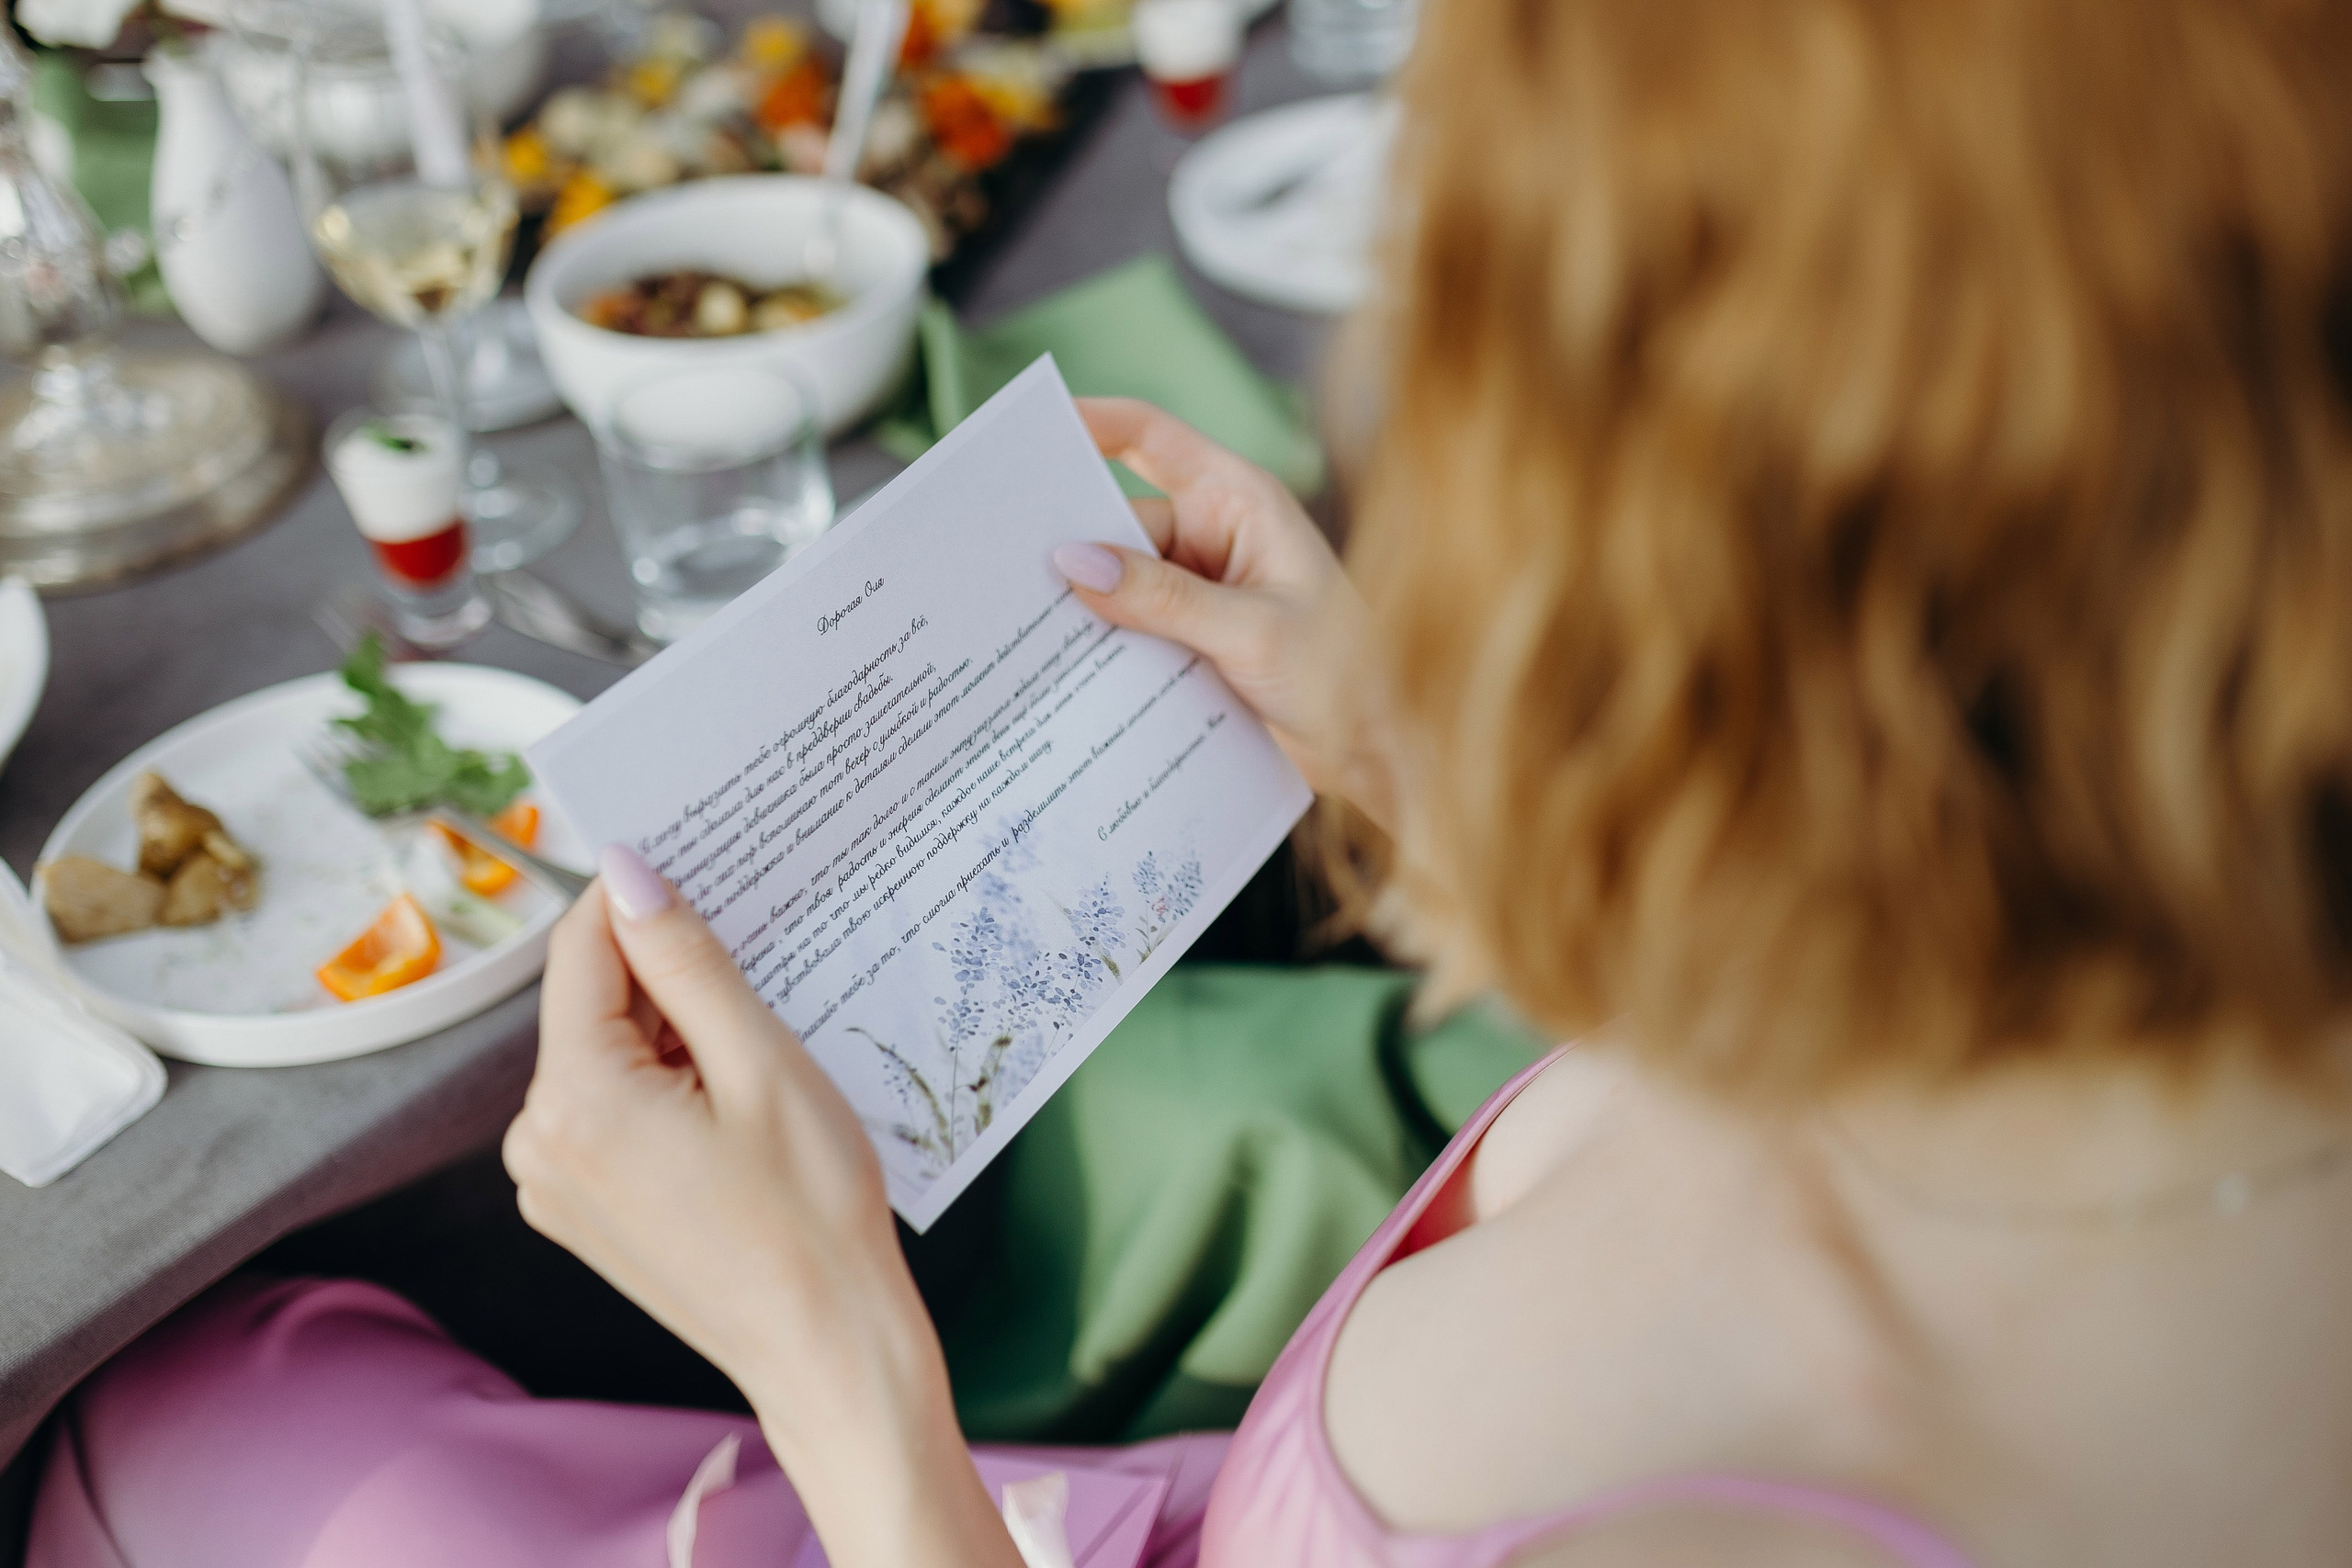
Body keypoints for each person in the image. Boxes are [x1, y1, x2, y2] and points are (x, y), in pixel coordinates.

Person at [30, 0, 2352, 1562]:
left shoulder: (1756, 1479)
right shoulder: (2114, 985)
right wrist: (1410, 766)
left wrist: (845, 1368)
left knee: (155, 1429)